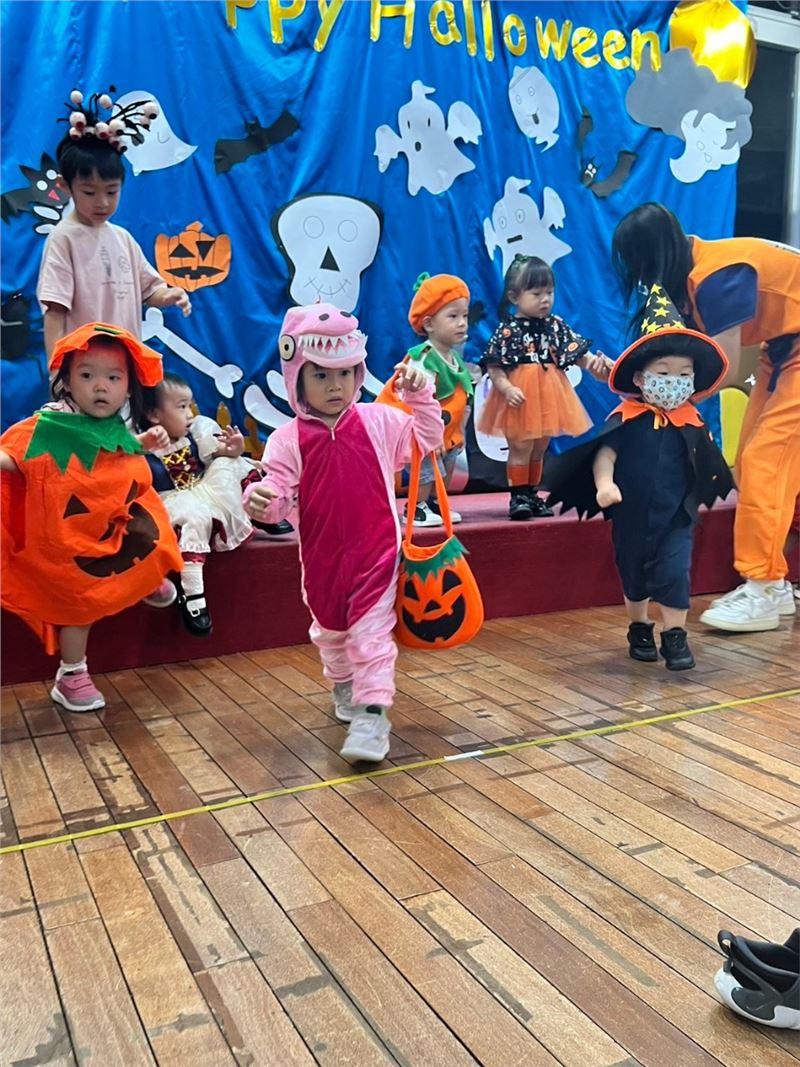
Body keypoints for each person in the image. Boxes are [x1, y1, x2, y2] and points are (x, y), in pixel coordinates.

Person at [243, 302, 443, 763]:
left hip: (377, 555)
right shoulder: (287, 441)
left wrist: (421, 397)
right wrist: (260, 499)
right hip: (321, 563)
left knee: (371, 635)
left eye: (346, 373)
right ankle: (344, 684)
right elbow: (277, 497)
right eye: (321, 375)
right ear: (297, 378)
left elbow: (427, 440)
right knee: (331, 633)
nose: (336, 386)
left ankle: (373, 716)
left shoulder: (379, 421)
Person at [613, 202, 800, 632]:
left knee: (766, 460)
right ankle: (773, 582)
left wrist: (666, 401)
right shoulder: (690, 274)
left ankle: (762, 585)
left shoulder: (718, 276)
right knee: (750, 458)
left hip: (792, 344)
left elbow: (725, 367)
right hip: (782, 347)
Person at [547, 286, 734, 670]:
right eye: (663, 373)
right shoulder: (626, 418)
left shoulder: (692, 421)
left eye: (684, 374)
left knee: (676, 572)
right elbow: (605, 454)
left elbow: (709, 462)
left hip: (677, 515)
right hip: (631, 514)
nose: (673, 381)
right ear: (640, 378)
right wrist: (605, 484)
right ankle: (639, 626)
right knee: (633, 574)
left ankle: (675, 636)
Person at [0, 322, 183, 712]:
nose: (101, 386)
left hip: (115, 525)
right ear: (66, 382)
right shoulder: (47, 428)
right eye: (87, 376)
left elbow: (114, 452)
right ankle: (71, 674)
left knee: (152, 525)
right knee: (77, 604)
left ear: (128, 387)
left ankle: (144, 579)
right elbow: (13, 458)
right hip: (70, 545)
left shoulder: (110, 423)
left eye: (113, 378)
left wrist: (142, 443)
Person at [37, 87, 190, 357]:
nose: (102, 203)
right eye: (89, 192)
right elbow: (55, 311)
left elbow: (150, 291)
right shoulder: (64, 239)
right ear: (65, 186)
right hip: (82, 368)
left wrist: (170, 295)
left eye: (111, 192)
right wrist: (56, 369)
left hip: (124, 366)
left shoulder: (123, 239)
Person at [478, 254, 612, 520]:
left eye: (549, 293)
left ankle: (532, 494)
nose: (545, 299)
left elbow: (578, 354)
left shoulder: (556, 326)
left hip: (549, 395)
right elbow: (494, 366)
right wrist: (506, 388)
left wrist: (594, 365)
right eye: (537, 294)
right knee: (521, 447)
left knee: (539, 447)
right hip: (520, 396)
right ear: (514, 297)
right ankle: (518, 496)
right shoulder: (508, 331)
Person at [142, 373, 256, 637]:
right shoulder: (143, 447)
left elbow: (217, 455)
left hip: (201, 489)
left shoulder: (194, 433)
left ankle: (259, 511)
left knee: (232, 465)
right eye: (181, 407)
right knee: (194, 518)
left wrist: (234, 450)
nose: (190, 414)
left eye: (190, 405)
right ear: (154, 415)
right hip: (171, 501)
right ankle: (193, 593)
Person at [397, 272, 474, 527]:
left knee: (447, 466)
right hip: (425, 434)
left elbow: (462, 397)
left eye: (465, 316)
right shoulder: (423, 358)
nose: (462, 323)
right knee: (427, 470)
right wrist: (431, 435)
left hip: (448, 432)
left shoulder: (455, 359)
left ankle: (434, 502)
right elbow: (417, 401)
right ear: (429, 324)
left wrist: (459, 430)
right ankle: (415, 507)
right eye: (453, 316)